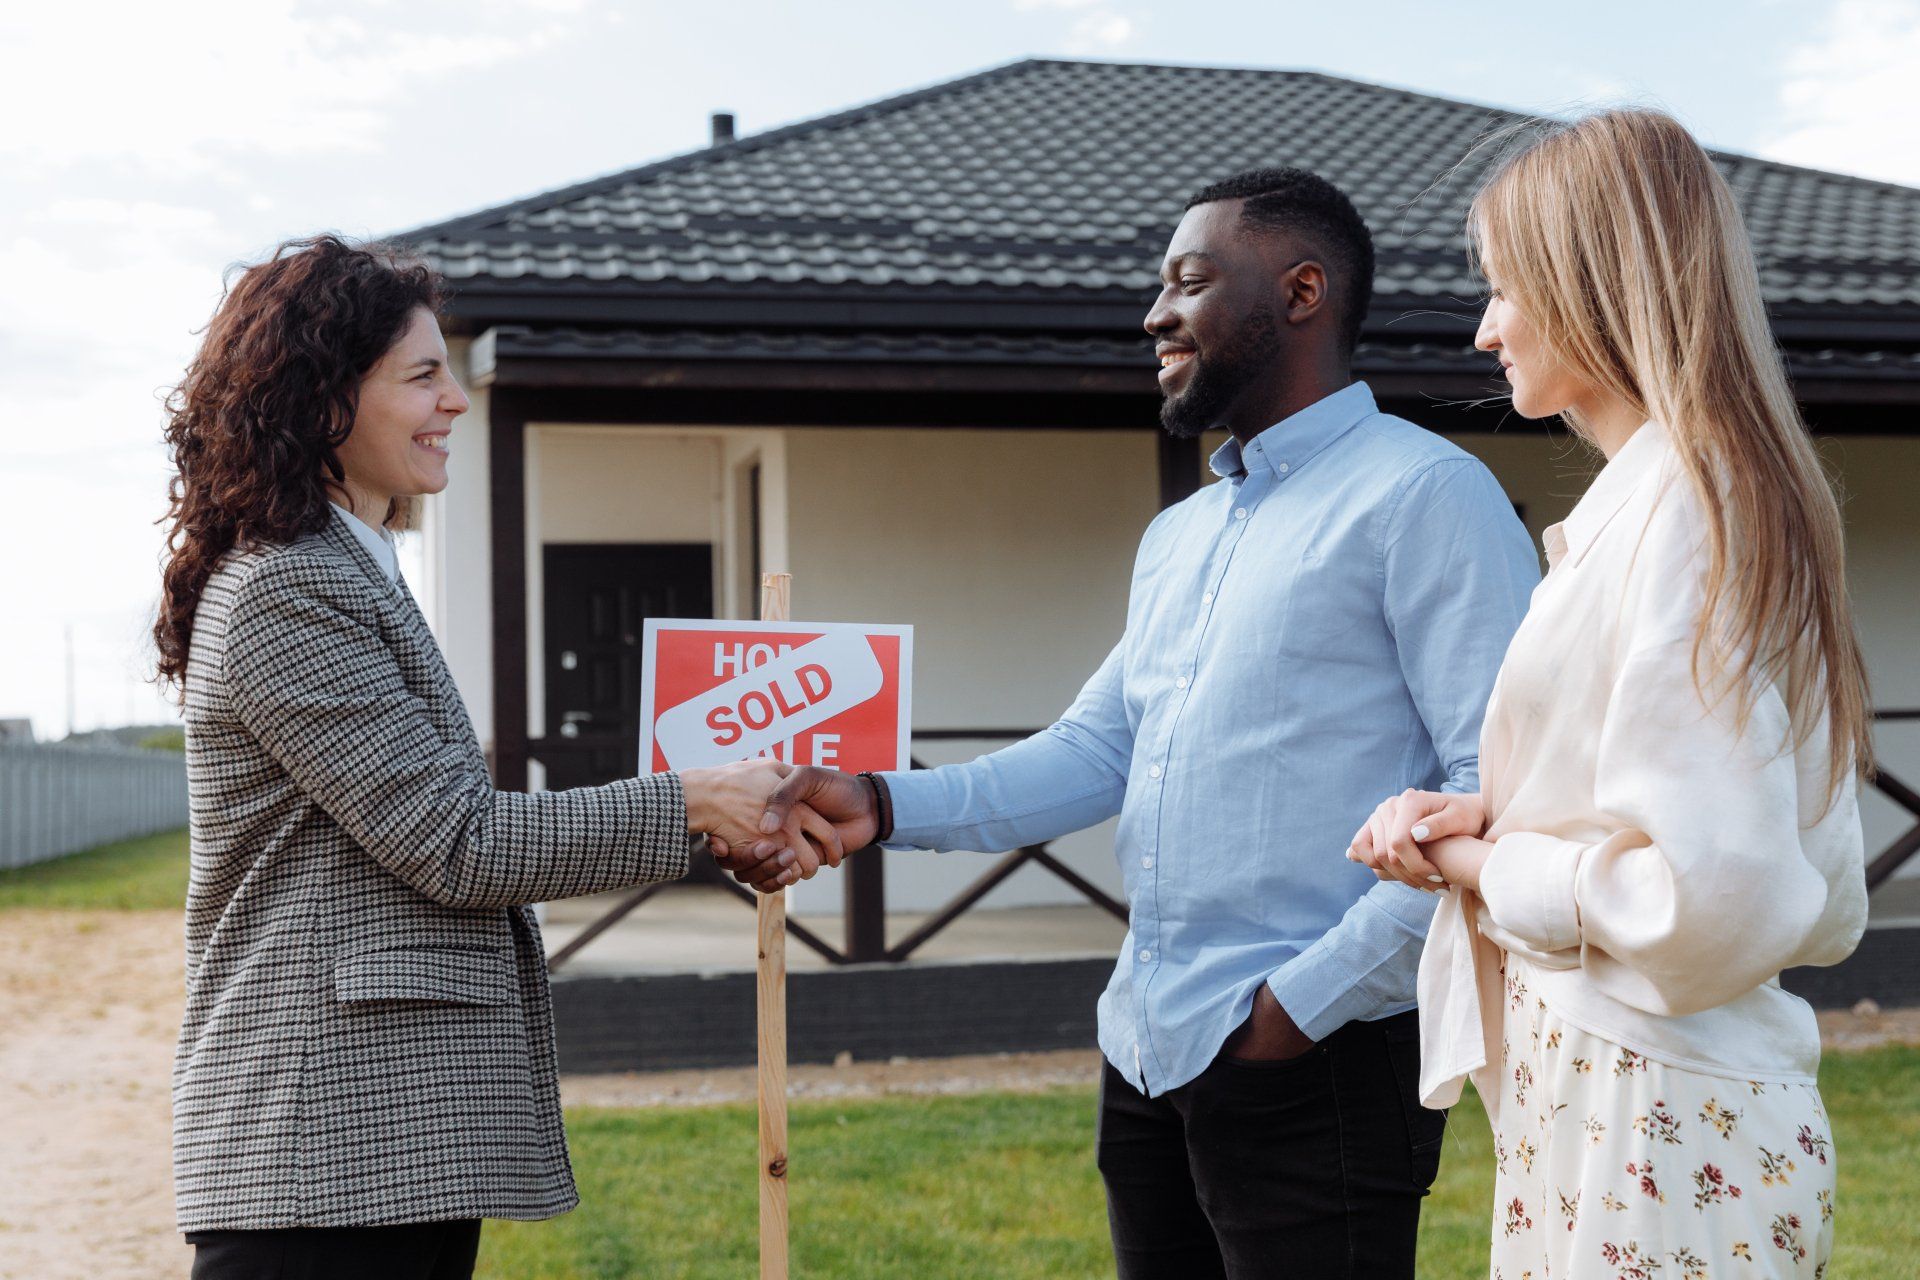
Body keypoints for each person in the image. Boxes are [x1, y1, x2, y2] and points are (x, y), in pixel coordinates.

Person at [714, 169, 1540, 1277]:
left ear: (1303, 292)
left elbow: (1495, 788)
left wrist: (1297, 1007)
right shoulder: (1183, 533)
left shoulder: (1428, 497)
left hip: (1317, 1058)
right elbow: (1098, 748)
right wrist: (879, 800)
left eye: (1190, 282)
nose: (1156, 313)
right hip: (1148, 1051)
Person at [154, 235, 823, 1280]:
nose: (456, 401)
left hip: (366, 1148)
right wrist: (694, 796)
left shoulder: (344, 569)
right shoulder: (292, 587)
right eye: (422, 375)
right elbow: (460, 842)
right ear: (323, 398)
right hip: (324, 1151)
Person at [1349, 110, 1870, 1279]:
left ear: (1591, 282)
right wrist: (1488, 818)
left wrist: (1479, 865)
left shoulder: (1689, 509)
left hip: (1656, 1115)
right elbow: (1797, 870)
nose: (1484, 329)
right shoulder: (1700, 497)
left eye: (1502, 287)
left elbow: (1713, 892)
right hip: (1627, 1096)